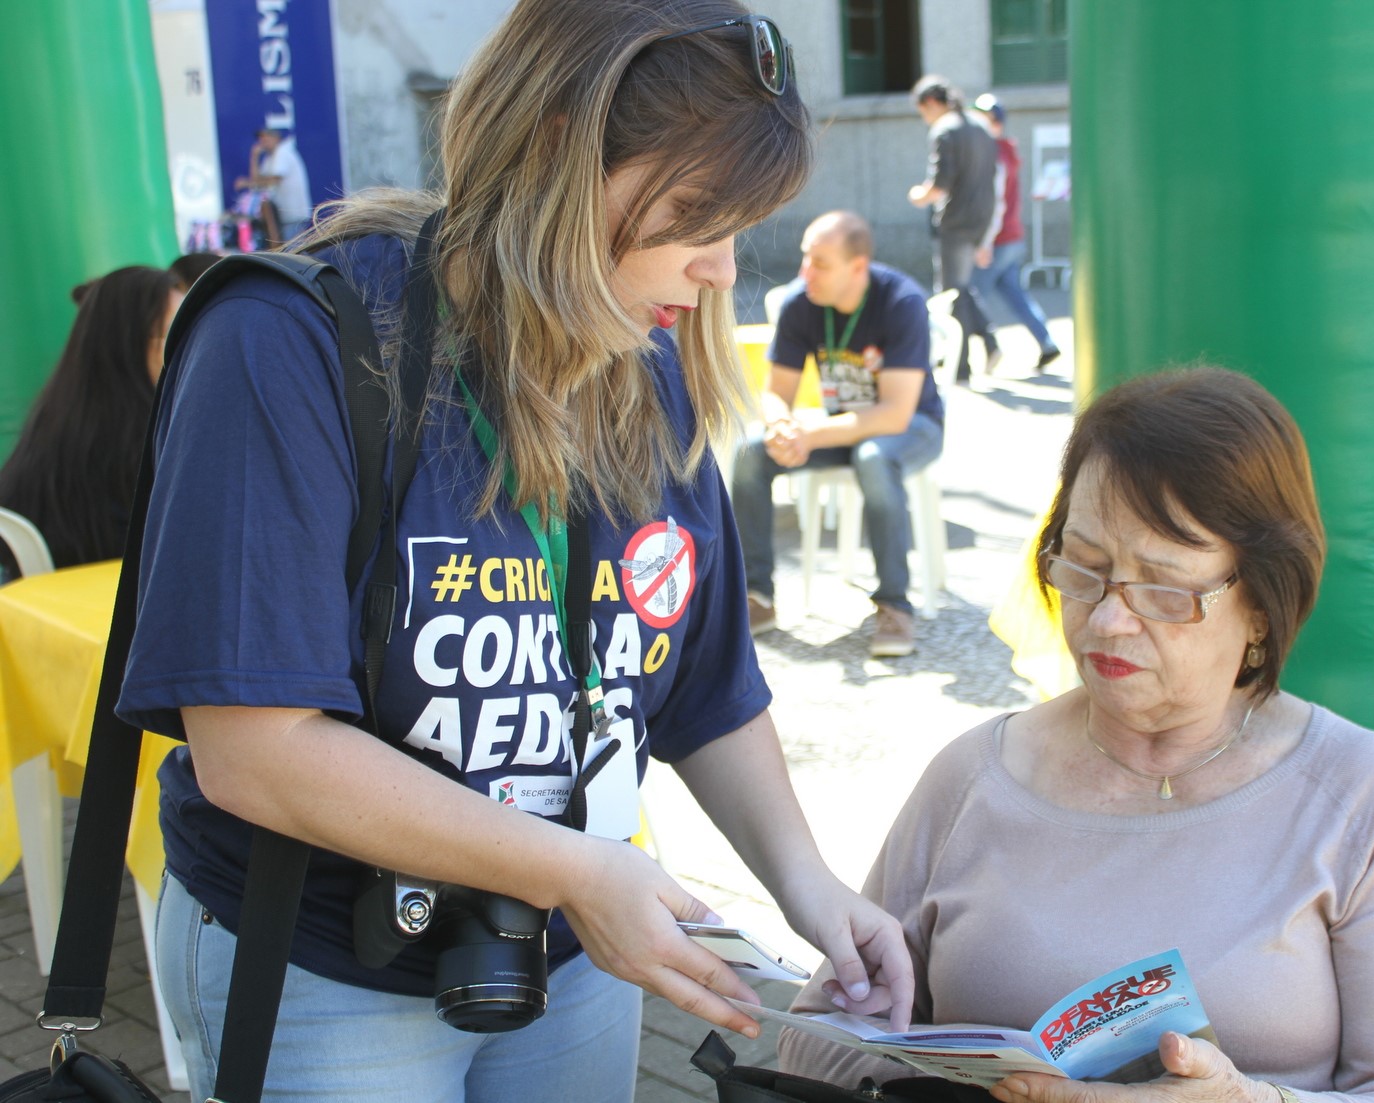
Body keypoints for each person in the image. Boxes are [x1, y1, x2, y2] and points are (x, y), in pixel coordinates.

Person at [118, 5, 912, 1101]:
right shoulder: (291, 340)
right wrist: (581, 868)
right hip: (324, 963)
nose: (724, 270)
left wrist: (813, 889)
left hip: (570, 948)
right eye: (692, 215)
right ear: (548, 151)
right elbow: (254, 748)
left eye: (742, 225)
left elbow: (704, 690)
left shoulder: (650, 363)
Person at [779, 367, 1374, 1102]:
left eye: (1163, 587)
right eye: (1084, 567)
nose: (1110, 619)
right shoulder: (971, 778)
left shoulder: (1363, 792)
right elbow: (814, 1046)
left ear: (1262, 606)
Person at [730, 211, 943, 658]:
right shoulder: (800, 302)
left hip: (911, 427)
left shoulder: (901, 302)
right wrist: (782, 426)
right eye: (806, 258)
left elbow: (893, 413)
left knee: (873, 456)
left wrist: (812, 433)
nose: (806, 271)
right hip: (838, 430)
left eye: (821, 263)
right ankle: (757, 596)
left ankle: (893, 604)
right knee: (750, 453)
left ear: (858, 266)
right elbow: (775, 393)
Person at [0, 266, 181, 579]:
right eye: (176, 333)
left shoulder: (55, 418)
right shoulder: (146, 441)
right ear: (131, 344)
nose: (188, 348)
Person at [908, 75, 997, 383]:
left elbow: (939, 184)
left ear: (931, 103)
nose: (925, 119)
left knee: (951, 292)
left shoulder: (945, 130)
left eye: (923, 112)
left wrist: (918, 195)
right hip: (981, 216)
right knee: (960, 285)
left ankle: (961, 364)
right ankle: (988, 341)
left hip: (956, 220)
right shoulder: (980, 126)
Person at [970, 94, 1061, 374]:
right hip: (1012, 238)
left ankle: (978, 347)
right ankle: (1046, 342)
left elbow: (995, 203)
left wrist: (983, 242)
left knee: (969, 297)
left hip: (996, 240)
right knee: (1015, 296)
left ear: (995, 122)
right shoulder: (1008, 150)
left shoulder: (994, 154)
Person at [234, 127, 312, 245]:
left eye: (266, 137)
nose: (262, 141)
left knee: (294, 252)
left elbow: (274, 180)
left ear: (276, 138)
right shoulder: (270, 158)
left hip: (294, 215)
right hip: (283, 217)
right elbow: (257, 181)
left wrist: (247, 183)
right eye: (260, 138)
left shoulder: (283, 152)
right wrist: (254, 157)